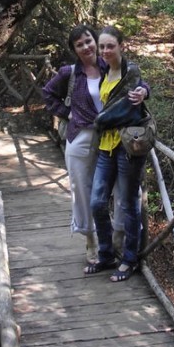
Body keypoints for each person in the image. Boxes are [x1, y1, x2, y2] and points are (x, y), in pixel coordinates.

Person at [42, 25, 143, 265]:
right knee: (83, 191)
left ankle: (118, 239)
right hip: (82, 138)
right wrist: (68, 113)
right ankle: (90, 240)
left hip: (113, 137)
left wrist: (144, 92)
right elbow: (48, 93)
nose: (86, 47)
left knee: (122, 189)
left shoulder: (110, 64)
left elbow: (137, 81)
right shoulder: (70, 72)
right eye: (80, 44)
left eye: (89, 41)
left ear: (96, 42)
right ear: (74, 50)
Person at [85, 26, 149, 282]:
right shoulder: (103, 73)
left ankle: (130, 259)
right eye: (102, 47)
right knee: (98, 202)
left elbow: (125, 107)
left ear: (121, 45)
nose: (105, 51)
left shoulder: (131, 70)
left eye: (110, 46)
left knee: (128, 203)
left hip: (128, 147)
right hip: (105, 148)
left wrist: (100, 121)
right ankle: (107, 254)